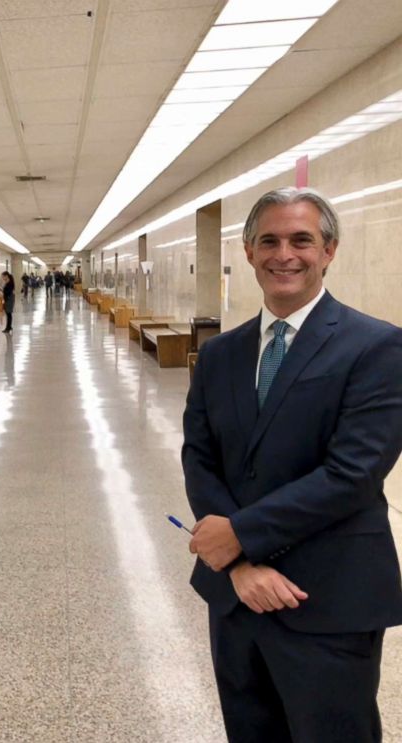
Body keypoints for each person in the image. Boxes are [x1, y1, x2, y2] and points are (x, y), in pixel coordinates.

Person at [182, 187, 402, 742]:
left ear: (329, 250)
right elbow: (199, 459)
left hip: (326, 596)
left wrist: (239, 536)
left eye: (302, 240)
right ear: (249, 252)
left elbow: (352, 474)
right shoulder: (218, 355)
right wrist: (237, 567)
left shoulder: (376, 347)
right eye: (270, 241)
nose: (285, 254)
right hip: (236, 599)